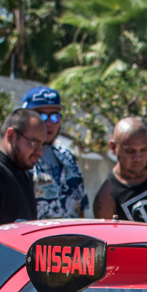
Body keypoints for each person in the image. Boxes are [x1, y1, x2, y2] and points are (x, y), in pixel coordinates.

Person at [20, 86, 88, 219]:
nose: (50, 123)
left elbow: (81, 206)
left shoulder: (67, 156)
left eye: (55, 117)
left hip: (72, 237)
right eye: (42, 116)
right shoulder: (17, 159)